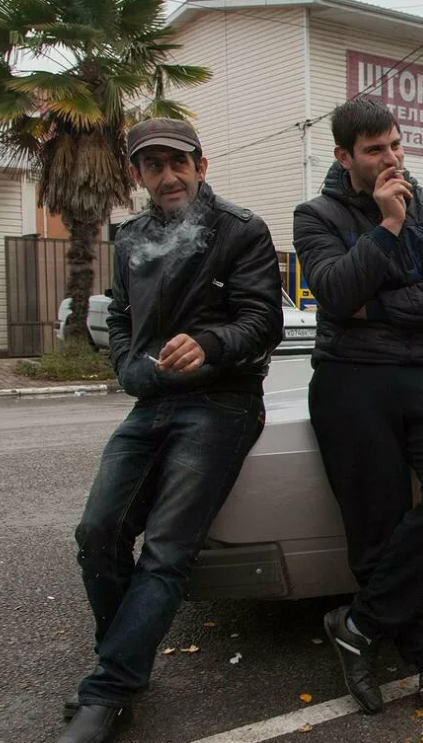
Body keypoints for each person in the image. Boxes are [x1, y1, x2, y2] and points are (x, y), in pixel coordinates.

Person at [56, 119, 284, 743]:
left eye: (176, 162)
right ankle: (124, 661)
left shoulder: (240, 230)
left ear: (201, 166)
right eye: (152, 165)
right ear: (137, 175)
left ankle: (106, 690)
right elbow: (123, 317)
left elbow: (264, 322)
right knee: (97, 531)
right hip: (152, 401)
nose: (167, 175)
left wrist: (209, 344)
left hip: (222, 402)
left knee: (166, 551)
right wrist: (130, 367)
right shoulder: (131, 237)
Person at [292, 98, 423, 730]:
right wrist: (388, 227)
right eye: (375, 150)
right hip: (351, 378)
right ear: (344, 157)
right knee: (377, 527)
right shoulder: (314, 215)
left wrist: (375, 307)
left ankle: (360, 624)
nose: (392, 158)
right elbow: (336, 292)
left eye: (395, 145)